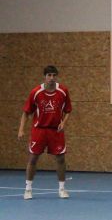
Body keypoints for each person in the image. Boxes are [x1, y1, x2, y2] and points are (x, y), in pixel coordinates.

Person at [18, 65, 72, 200]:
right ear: (44, 77)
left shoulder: (63, 91)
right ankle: (28, 189)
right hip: (39, 130)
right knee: (33, 158)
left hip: (56, 131)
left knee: (60, 159)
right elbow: (26, 113)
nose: (52, 78)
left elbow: (68, 111)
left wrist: (63, 123)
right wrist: (21, 129)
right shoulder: (36, 92)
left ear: (57, 76)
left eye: (54, 75)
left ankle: (62, 189)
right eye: (49, 75)